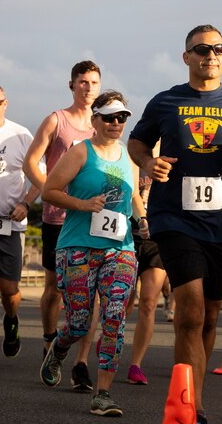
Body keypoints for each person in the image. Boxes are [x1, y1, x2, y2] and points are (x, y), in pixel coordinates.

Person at [127, 24, 222, 424]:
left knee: (210, 316)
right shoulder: (165, 102)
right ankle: (185, 409)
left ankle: (197, 399)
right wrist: (147, 162)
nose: (210, 55)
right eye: (201, 49)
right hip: (174, 219)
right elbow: (137, 143)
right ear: (186, 57)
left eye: (218, 49)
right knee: (190, 312)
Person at [40, 91, 146, 416]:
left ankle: (103, 394)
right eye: (110, 117)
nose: (117, 123)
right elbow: (49, 191)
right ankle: (59, 347)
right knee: (78, 323)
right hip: (77, 247)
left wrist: (142, 221)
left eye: (122, 117)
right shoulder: (80, 153)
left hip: (120, 248)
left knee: (114, 315)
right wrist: (84, 205)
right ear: (95, 120)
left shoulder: (128, 156)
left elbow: (134, 198)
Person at [23, 60, 101, 391]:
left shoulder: (104, 125)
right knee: (56, 288)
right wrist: (51, 191)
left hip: (95, 219)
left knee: (95, 292)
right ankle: (49, 339)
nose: (88, 87)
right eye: (82, 82)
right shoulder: (58, 120)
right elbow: (30, 161)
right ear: (71, 85)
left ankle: (81, 364)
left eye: (93, 82)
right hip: (60, 218)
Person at [0, 84, 37, 374]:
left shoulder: (21, 135)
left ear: (5, 104)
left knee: (9, 291)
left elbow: (40, 178)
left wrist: (25, 204)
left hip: (11, 224)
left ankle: (11, 320)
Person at [124, 161, 167, 385]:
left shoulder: (172, 159)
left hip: (157, 237)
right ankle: (111, 332)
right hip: (129, 234)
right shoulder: (131, 157)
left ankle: (136, 365)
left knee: (149, 303)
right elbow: (130, 193)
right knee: (126, 300)